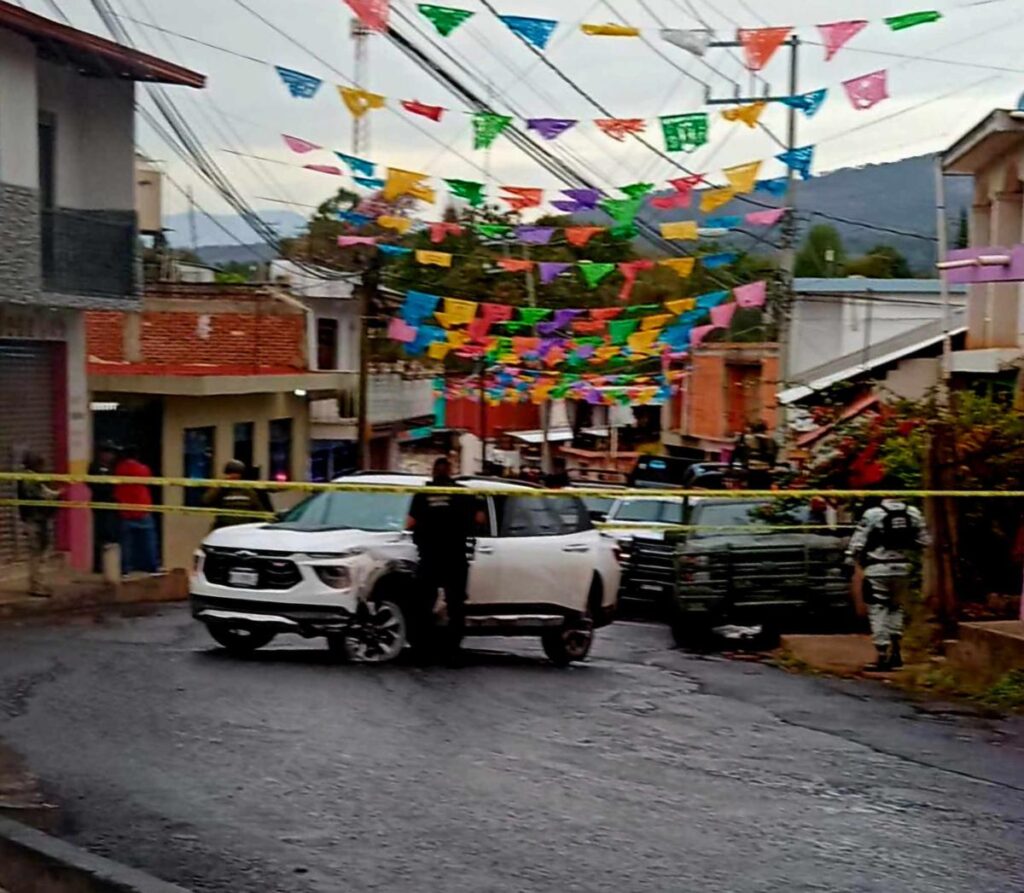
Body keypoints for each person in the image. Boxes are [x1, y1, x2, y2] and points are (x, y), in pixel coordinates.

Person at [846, 477, 930, 671]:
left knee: (878, 608)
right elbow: (925, 540)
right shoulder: (913, 513)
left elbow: (858, 542)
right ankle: (897, 650)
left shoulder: (873, 514)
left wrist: (850, 561)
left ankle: (882, 654)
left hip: (878, 568)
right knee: (896, 607)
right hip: (902, 567)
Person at [406, 457, 477, 657]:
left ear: (433, 472)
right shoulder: (462, 493)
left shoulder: (423, 494)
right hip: (455, 556)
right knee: (456, 604)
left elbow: (409, 523)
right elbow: (479, 519)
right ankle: (453, 650)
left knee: (423, 603)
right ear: (451, 471)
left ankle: (422, 650)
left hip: (429, 556)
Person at [17, 453, 60, 597]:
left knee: (40, 553)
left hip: (38, 520)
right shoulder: (28, 479)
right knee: (36, 553)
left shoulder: (34, 479)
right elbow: (40, 495)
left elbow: (45, 493)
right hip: (34, 520)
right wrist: (55, 495)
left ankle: (38, 583)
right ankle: (36, 585)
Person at [114, 446, 159, 576]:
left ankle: (125, 570)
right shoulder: (142, 469)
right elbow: (148, 479)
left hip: (125, 511)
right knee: (148, 541)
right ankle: (152, 567)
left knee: (126, 543)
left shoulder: (119, 469)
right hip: (142, 510)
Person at [202, 460, 268, 529]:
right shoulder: (221, 488)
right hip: (224, 526)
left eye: (236, 473)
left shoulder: (247, 491)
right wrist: (221, 486)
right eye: (231, 473)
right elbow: (206, 500)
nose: (233, 476)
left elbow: (258, 509)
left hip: (242, 527)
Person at [88, 442, 120, 574]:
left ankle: (109, 565)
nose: (111, 456)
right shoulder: (95, 467)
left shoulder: (112, 468)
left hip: (110, 505)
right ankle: (98, 565)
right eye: (109, 453)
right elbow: (91, 483)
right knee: (100, 535)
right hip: (99, 504)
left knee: (110, 535)